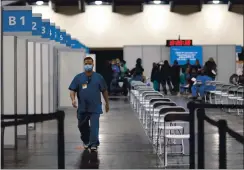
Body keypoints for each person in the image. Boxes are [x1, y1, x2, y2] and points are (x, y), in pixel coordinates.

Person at [69, 57, 109, 151]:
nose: (88, 65)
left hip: (95, 107)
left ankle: (94, 143)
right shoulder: (78, 77)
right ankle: (86, 141)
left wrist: (107, 103)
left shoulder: (98, 77)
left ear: (93, 64)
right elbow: (72, 90)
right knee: (82, 126)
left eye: (90, 63)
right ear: (84, 65)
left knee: (95, 127)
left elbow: (104, 90)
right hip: (83, 107)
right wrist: (73, 99)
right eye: (86, 63)